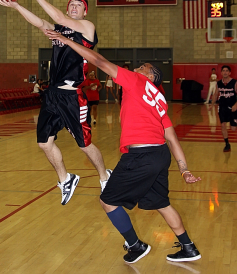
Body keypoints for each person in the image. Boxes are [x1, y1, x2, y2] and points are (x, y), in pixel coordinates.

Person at [45, 28, 201, 264]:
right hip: (159, 155)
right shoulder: (159, 101)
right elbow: (172, 138)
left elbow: (98, 60)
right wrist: (184, 169)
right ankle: (188, 247)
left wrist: (66, 40)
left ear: (150, 76)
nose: (138, 68)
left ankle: (136, 245)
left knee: (107, 201)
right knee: (161, 202)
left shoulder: (137, 81)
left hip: (141, 156)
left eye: (143, 67)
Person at [0, 0, 111, 205]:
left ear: (85, 11)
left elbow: (58, 18)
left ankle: (105, 177)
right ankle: (66, 179)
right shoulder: (58, 29)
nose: (74, 6)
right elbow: (39, 22)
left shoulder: (88, 28)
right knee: (44, 142)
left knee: (84, 144)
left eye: (79, 5)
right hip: (53, 95)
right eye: (71, 4)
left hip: (72, 96)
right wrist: (17, 6)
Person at [210, 65, 237, 152]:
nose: (225, 72)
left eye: (226, 71)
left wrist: (236, 105)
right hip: (222, 107)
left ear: (229, 72)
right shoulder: (219, 83)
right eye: (223, 71)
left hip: (233, 107)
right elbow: (215, 94)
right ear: (221, 73)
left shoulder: (234, 82)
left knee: (233, 128)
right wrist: (212, 104)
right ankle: (227, 144)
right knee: (223, 125)